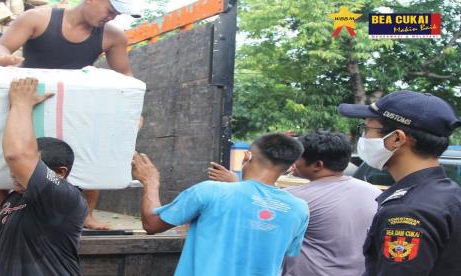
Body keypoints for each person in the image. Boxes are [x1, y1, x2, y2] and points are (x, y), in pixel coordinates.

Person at [0, 0, 141, 229]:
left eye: (117, 14)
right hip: (31, 95)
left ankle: (87, 214)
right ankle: (0, 212)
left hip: (75, 103)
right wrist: (4, 60)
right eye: (110, 10)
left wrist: (134, 112)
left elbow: (126, 79)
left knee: (95, 145)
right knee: (5, 148)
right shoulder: (37, 18)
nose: (111, 17)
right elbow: (1, 47)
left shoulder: (113, 36)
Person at [133, 133, 309, 276]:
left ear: (247, 156)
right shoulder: (299, 209)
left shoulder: (210, 191)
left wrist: (150, 181)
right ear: (288, 167)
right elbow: (284, 253)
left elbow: (152, 224)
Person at [338, 90, 461, 275]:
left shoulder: (407, 211)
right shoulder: (449, 193)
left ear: (397, 138)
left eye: (367, 129)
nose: (364, 138)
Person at [0, 78, 87, 275]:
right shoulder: (15, 196)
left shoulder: (65, 198)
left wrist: (21, 104)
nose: (14, 171)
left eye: (32, 165)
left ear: (60, 173)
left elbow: (17, 155)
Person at [281, 131, 381, 276]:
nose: (293, 162)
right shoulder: (374, 193)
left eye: (297, 157)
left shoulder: (295, 199)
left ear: (317, 165)